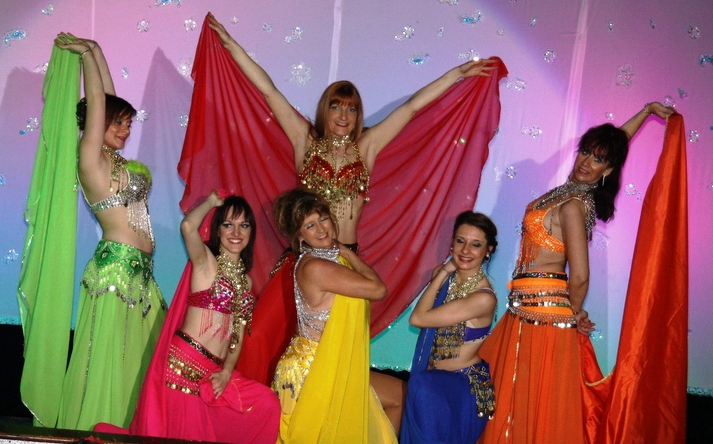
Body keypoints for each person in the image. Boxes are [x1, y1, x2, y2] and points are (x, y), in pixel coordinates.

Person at [206, 13, 497, 431]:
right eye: (336, 106)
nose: (344, 115)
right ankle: (255, 423)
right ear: (325, 110)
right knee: (265, 340)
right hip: (306, 262)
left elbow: (413, 107)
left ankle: (330, 424)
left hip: (347, 260)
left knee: (338, 351)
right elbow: (268, 90)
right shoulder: (305, 141)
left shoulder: (367, 147)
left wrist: (456, 75)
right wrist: (232, 46)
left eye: (352, 108)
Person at [477, 102, 673, 443]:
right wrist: (645, 112)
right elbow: (615, 145)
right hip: (526, 309)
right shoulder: (569, 192)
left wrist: (571, 316)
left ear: (608, 170)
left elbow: (580, 275)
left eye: (597, 160)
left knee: (526, 402)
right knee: (515, 398)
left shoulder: (573, 205)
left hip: (543, 316)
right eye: (585, 152)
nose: (586, 162)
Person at [96, 192, 280, 443]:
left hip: (214, 372)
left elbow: (236, 337)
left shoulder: (246, 283)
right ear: (218, 230)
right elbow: (188, 227)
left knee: (267, 403)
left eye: (244, 225)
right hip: (183, 368)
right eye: (228, 224)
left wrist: (227, 372)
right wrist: (211, 202)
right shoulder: (206, 263)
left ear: (251, 232)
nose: (236, 232)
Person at [52, 33, 166, 430]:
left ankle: (130, 432)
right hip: (115, 272)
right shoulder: (91, 162)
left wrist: (98, 50)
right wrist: (86, 56)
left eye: (129, 123)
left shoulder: (115, 162)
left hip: (140, 274)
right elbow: (100, 102)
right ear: (97, 124)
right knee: (109, 362)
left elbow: (108, 98)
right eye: (119, 122)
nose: (125, 129)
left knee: (139, 362)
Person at [270, 188, 397, 443]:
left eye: (323, 219)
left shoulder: (329, 260)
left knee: (398, 397)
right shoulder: (316, 266)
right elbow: (378, 289)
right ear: (299, 236)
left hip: (332, 362)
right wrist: (348, 252)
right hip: (313, 368)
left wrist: (345, 254)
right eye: (310, 225)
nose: (321, 229)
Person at [401, 211, 498, 443]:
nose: (465, 251)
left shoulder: (483, 298)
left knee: (420, 384)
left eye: (476, 245)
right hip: (434, 384)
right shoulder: (445, 278)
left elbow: (418, 319)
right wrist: (442, 273)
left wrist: (444, 270)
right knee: (421, 385)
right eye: (460, 241)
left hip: (462, 387)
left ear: (488, 250)